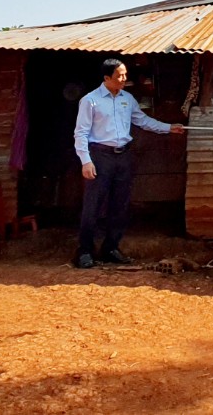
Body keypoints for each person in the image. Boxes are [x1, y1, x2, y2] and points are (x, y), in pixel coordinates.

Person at [74, 58, 183, 269]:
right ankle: (85, 251)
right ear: (107, 78)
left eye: (125, 74)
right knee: (93, 205)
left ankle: (111, 248)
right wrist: (86, 161)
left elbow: (142, 121)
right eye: (119, 76)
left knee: (120, 205)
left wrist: (169, 128)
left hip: (123, 157)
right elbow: (81, 133)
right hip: (100, 156)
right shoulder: (90, 100)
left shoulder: (128, 99)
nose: (124, 79)